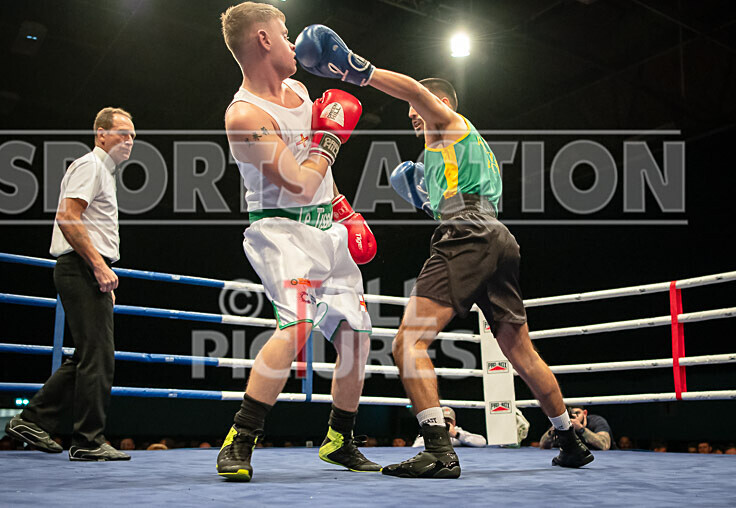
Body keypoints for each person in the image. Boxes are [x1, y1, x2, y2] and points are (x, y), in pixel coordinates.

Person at [294, 24, 594, 478]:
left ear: (443, 105)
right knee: (520, 351)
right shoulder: (453, 152)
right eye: (414, 114)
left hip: (467, 232)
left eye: (421, 111)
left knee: (407, 342)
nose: (415, 117)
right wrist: (425, 199)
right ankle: (569, 440)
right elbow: (457, 198)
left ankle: (438, 449)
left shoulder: (449, 123)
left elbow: (415, 92)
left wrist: (360, 71)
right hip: (495, 235)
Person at [216, 2, 380, 482]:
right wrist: (331, 141)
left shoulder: (302, 91)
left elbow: (320, 180)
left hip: (326, 226)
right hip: (280, 230)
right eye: (284, 33)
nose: (293, 43)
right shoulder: (244, 115)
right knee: (298, 326)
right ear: (263, 39)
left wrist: (343, 207)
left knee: (356, 335)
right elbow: (299, 182)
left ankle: (340, 439)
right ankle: (240, 438)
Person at [5, 107, 134, 462]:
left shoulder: (103, 172)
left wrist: (100, 265)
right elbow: (67, 216)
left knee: (88, 355)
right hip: (81, 266)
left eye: (134, 136)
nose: (129, 141)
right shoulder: (90, 166)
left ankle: (32, 419)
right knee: (98, 356)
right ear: (101, 134)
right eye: (123, 133)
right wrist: (97, 265)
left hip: (86, 267)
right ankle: (88, 440)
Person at [540, 405, 612, 451]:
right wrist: (556, 427)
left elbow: (605, 445)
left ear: (585, 413)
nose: (574, 417)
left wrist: (581, 429)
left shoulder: (597, 421)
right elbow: (543, 445)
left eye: (577, 413)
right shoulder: (563, 423)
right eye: (570, 415)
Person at [412, 407, 486, 448]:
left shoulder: (458, 431)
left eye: (449, 420)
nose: (446, 423)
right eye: (444, 420)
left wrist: (457, 435)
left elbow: (482, 442)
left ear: (454, 422)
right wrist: (437, 435)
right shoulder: (431, 430)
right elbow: (416, 446)